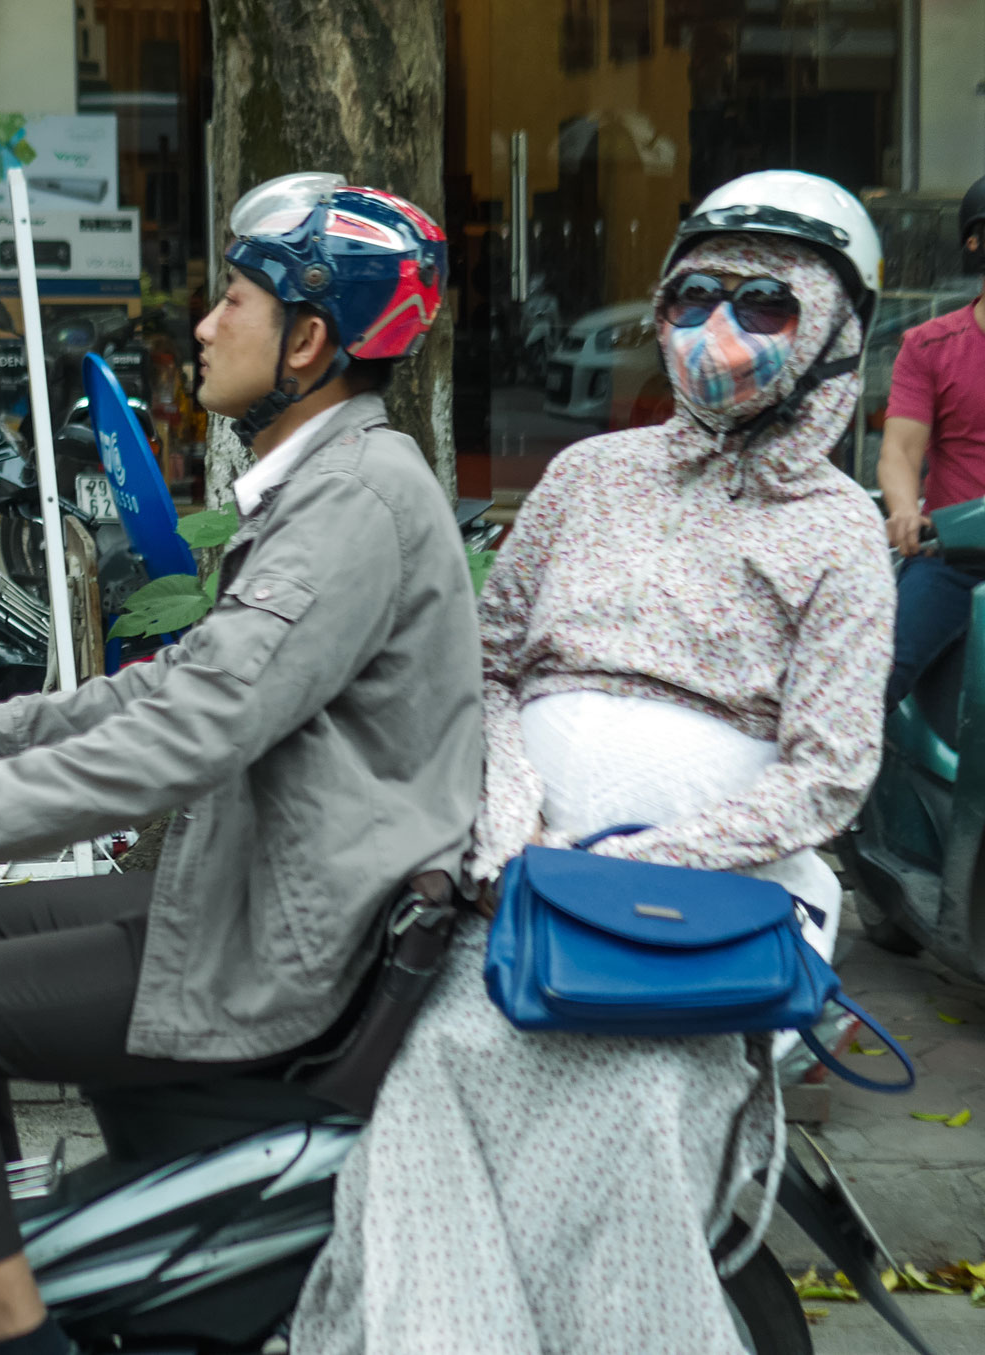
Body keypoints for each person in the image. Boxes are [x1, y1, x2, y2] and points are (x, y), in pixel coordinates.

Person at [0, 176, 481, 1355]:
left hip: (290, 933)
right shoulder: (319, 481)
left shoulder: (354, 501)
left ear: (310, 338)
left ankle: (6, 1332)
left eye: (232, 300)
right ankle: (30, 1235)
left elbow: (192, 733)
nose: (204, 324)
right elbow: (180, 683)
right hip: (249, 878)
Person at [287, 171, 893, 1353]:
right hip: (512, 890)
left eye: (765, 303)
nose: (715, 332)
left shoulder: (840, 530)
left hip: (698, 918)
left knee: (634, 1114)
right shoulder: (583, 477)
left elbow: (825, 774)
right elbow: (489, 666)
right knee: (430, 1068)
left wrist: (638, 866)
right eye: (694, 296)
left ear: (831, 332)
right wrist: (513, 821)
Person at [879, 173, 985, 709]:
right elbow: (899, 449)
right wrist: (903, 510)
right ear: (975, 241)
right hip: (954, 555)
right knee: (876, 677)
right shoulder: (929, 346)